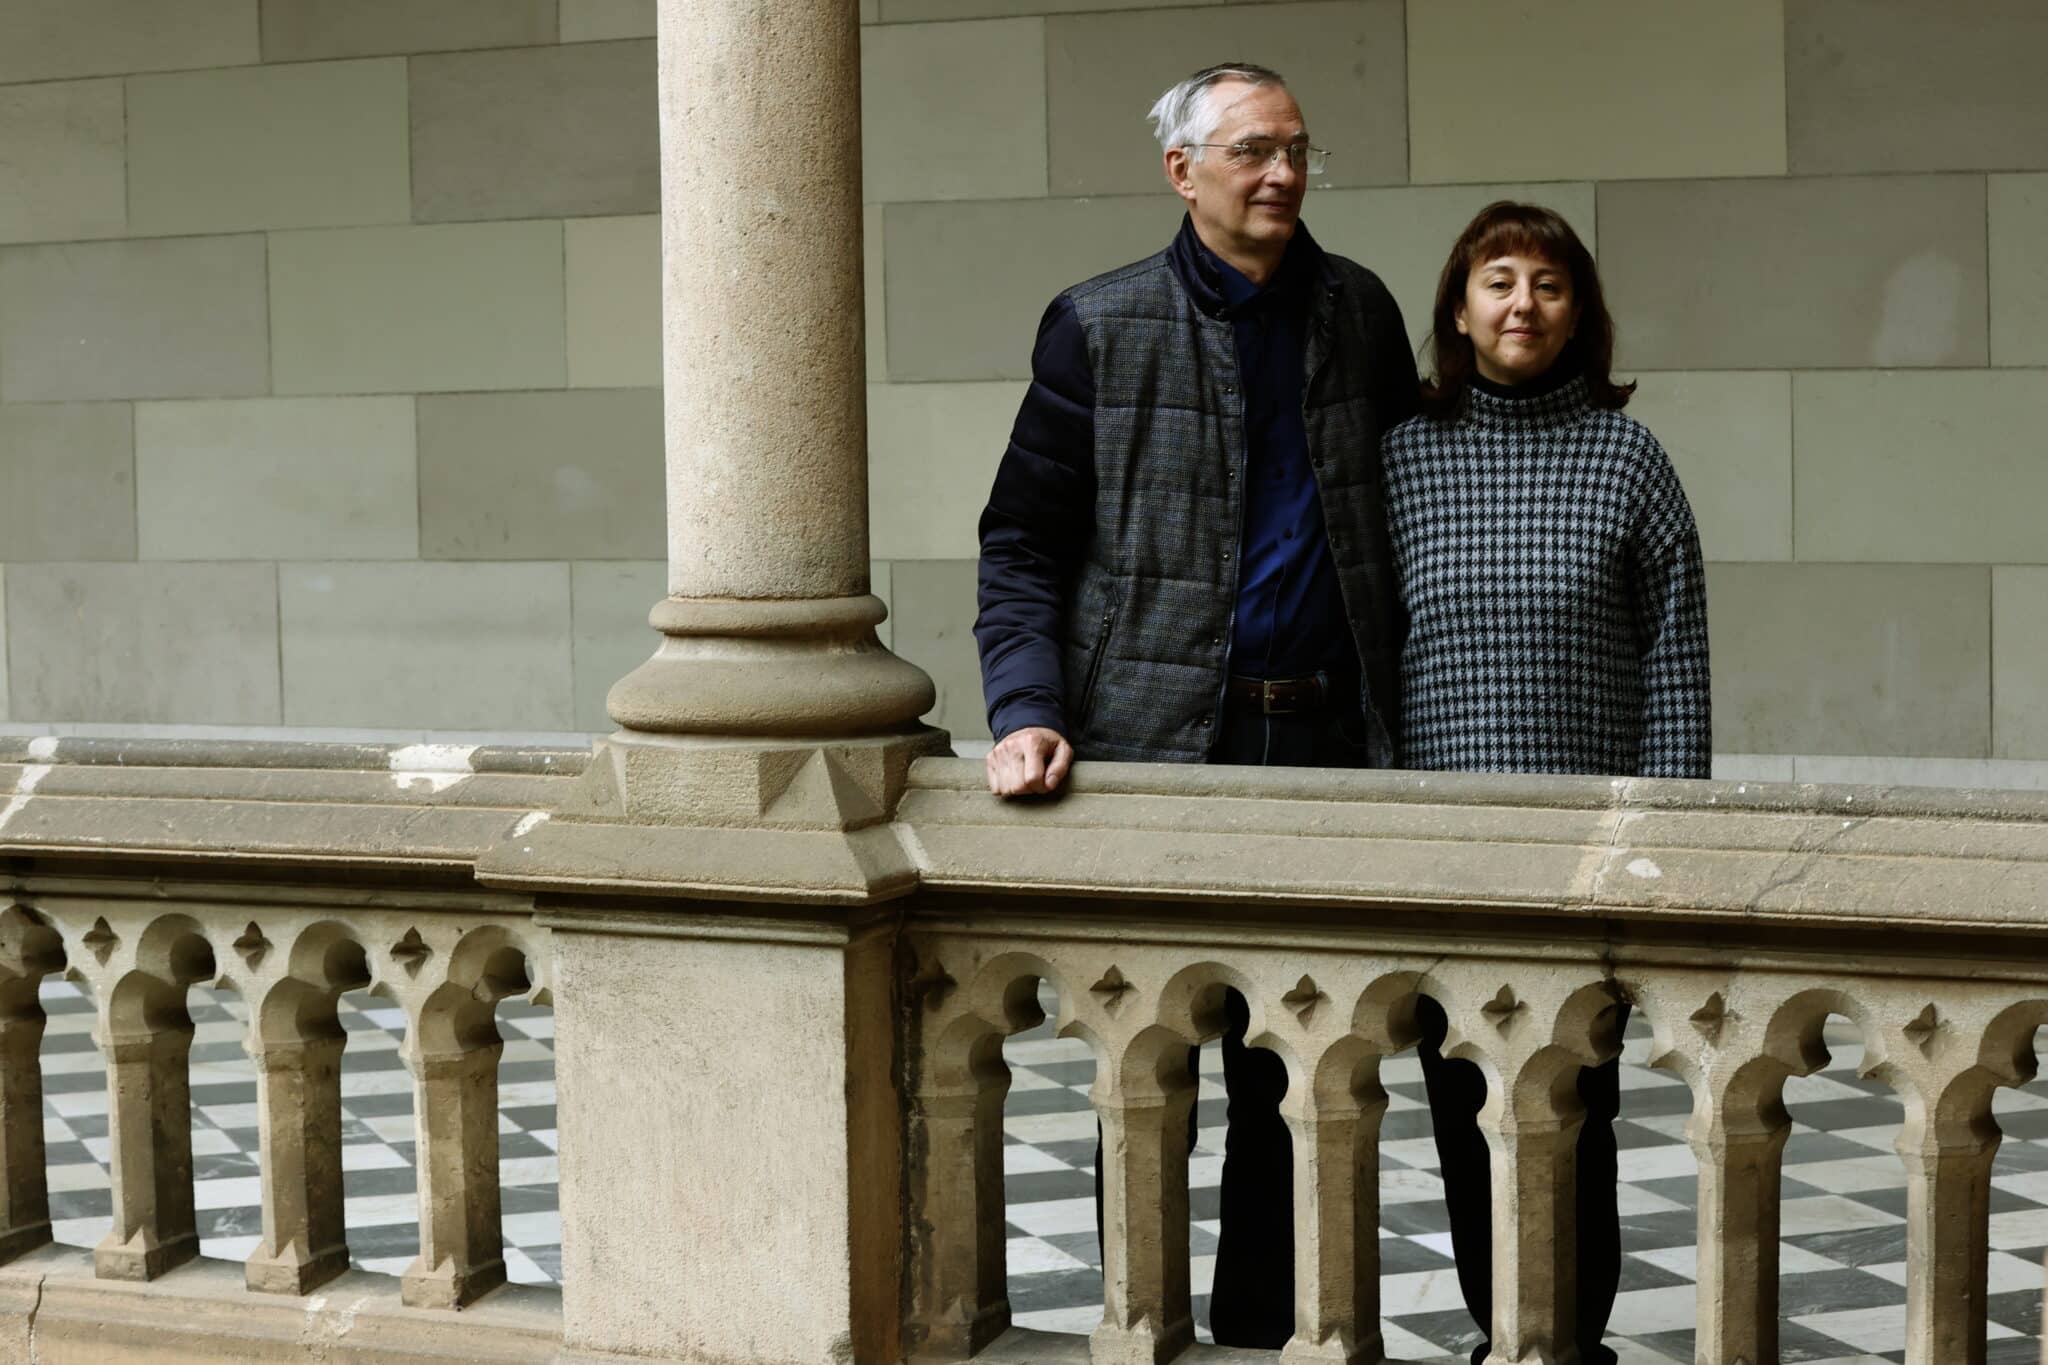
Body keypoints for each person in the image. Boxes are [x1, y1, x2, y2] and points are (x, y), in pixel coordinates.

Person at [972, 63, 1418, 1347]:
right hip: (1155, 743)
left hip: (1323, 736)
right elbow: (1020, 545)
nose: (1279, 174)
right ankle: (1144, 1327)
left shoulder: (1359, 311)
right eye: (1249, 152)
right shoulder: (1097, 324)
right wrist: (1024, 705)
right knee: (1145, 1071)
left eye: (1293, 149)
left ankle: (1266, 1334)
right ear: (1182, 171)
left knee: (1297, 1069)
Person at [1381, 201, 1711, 1365]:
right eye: (1498, 281)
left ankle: (1572, 1341)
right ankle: (1499, 1335)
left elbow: (1674, 668)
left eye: (1549, 285)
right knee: (1465, 1111)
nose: (1522, 304)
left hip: (1587, 856)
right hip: (1441, 854)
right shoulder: (1401, 457)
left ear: (1580, 317)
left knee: (1578, 1115)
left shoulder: (1629, 460)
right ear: (1458, 311)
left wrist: (1662, 849)